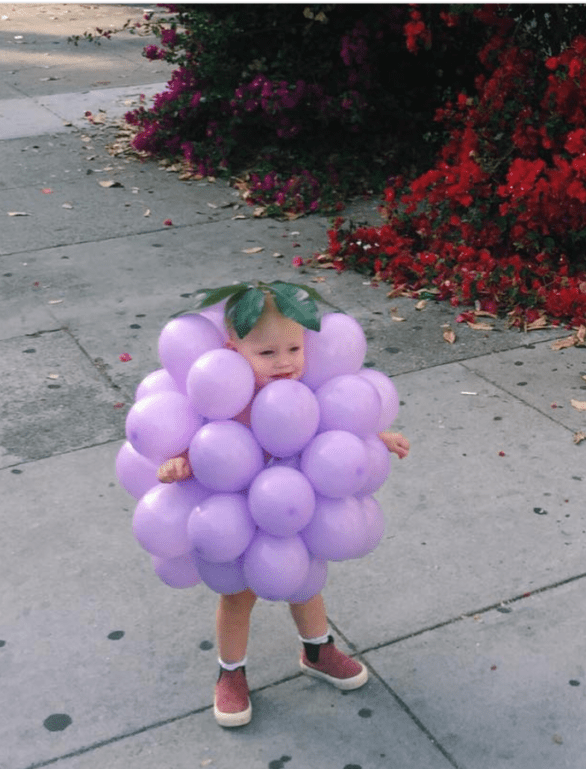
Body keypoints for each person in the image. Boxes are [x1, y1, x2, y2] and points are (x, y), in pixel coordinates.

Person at [157, 295, 409, 727]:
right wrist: (180, 460)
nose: (284, 362)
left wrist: (375, 437)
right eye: (266, 353)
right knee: (237, 599)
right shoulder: (229, 395)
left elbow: (334, 423)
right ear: (234, 352)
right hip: (239, 518)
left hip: (293, 512)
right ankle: (230, 672)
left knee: (304, 584)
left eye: (293, 349)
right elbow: (205, 437)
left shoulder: (304, 389)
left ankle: (317, 650)